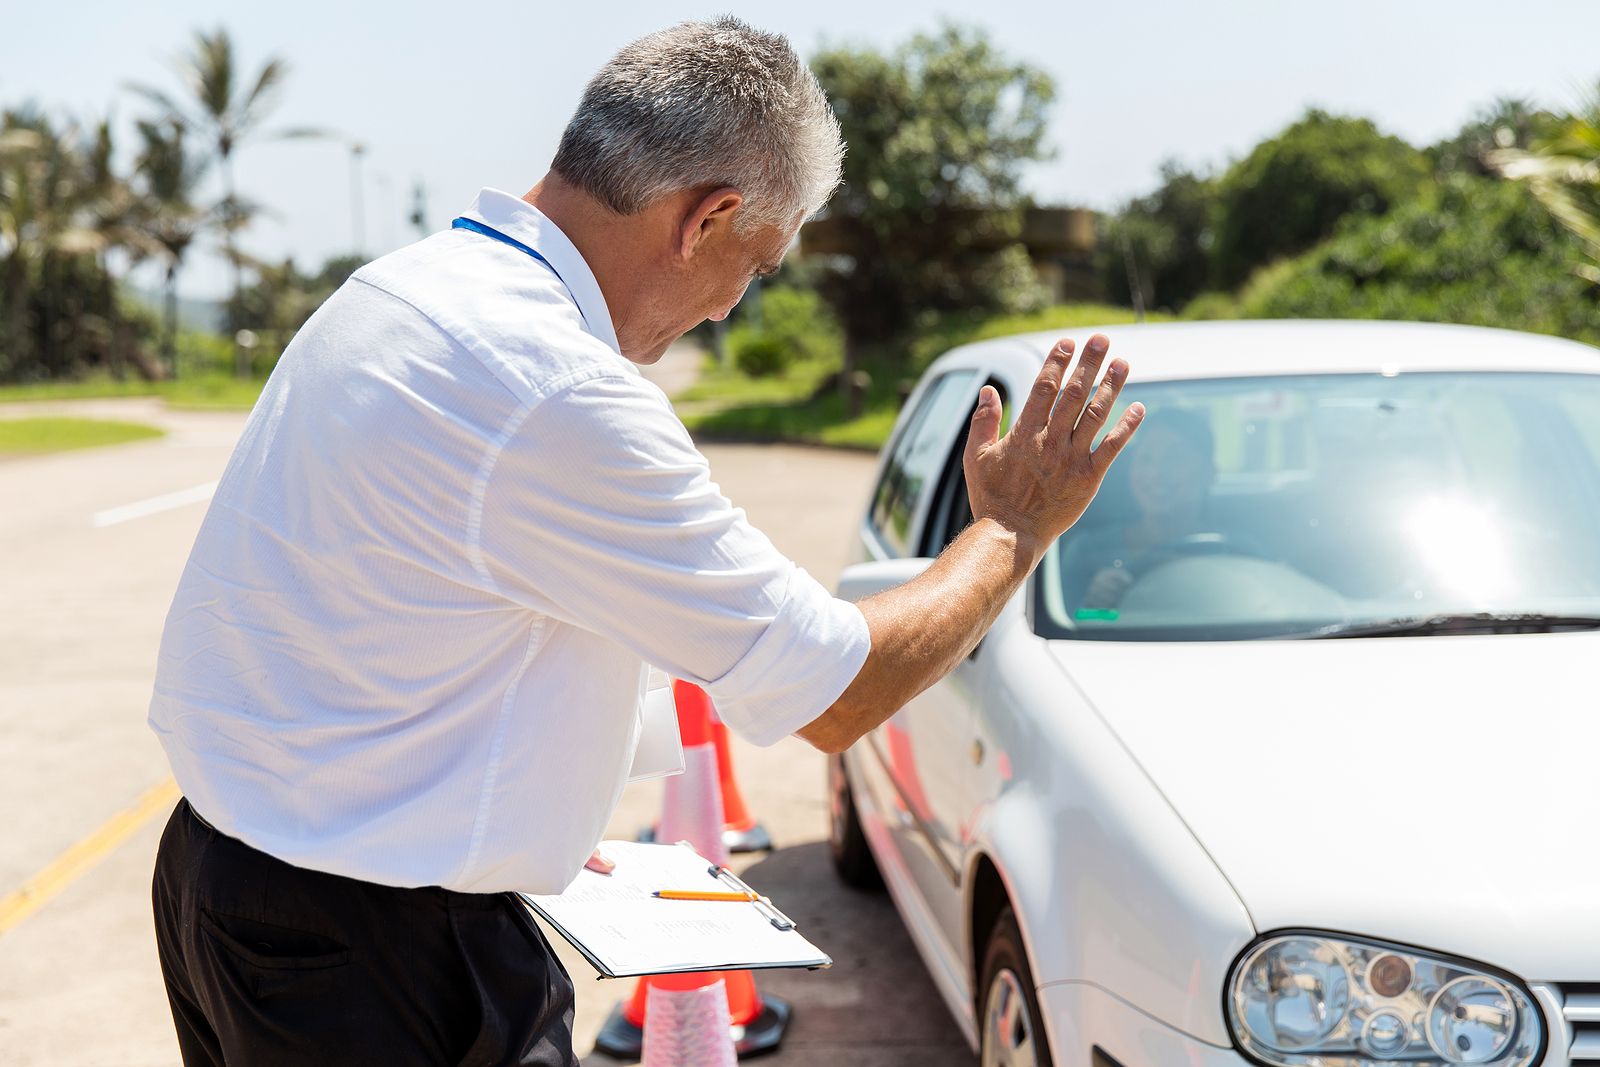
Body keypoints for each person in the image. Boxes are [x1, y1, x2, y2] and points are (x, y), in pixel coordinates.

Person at [147, 17, 1144, 1067]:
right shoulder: (557, 387)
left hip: (230, 881)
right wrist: (1010, 528)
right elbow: (837, 690)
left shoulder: (401, 289)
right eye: (753, 265)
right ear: (706, 216)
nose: (726, 310)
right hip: (379, 952)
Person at [1068, 408, 1215, 611]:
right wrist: (1096, 608)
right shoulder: (1087, 551)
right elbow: (1078, 622)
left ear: (1209, 473)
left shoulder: (1238, 552)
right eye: (1145, 458)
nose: (1156, 473)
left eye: (1175, 458)